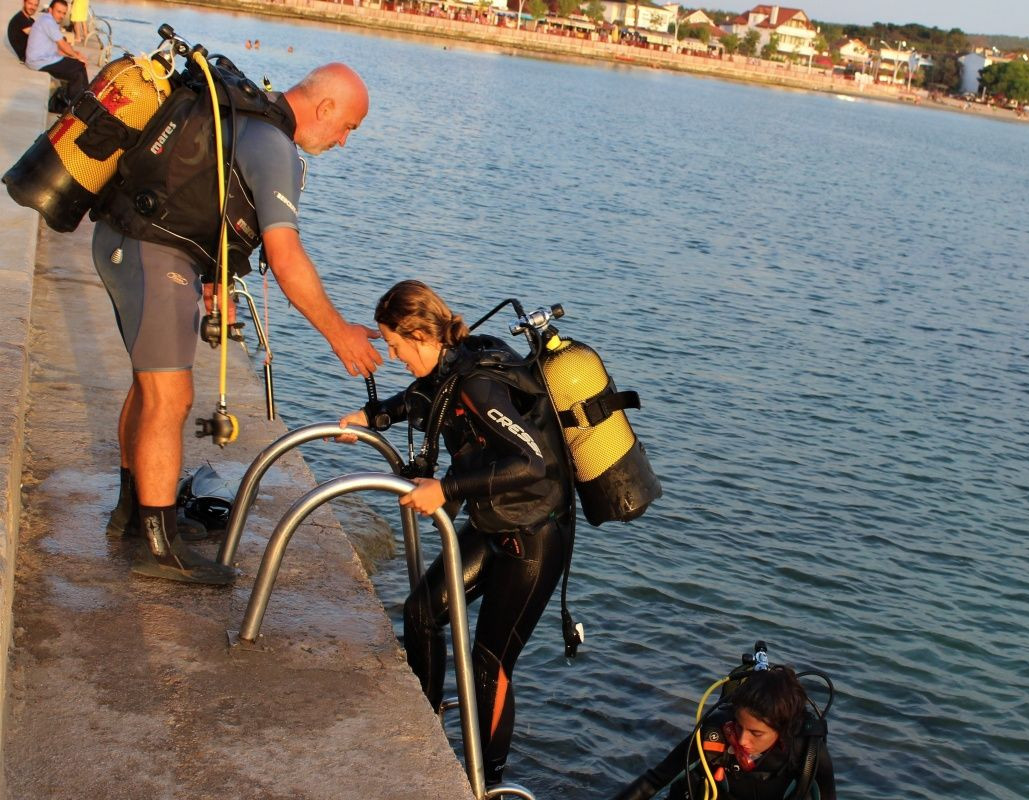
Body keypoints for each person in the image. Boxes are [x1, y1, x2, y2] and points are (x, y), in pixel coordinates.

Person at [92, 62, 382, 584]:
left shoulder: (249, 113)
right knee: (170, 396)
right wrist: (340, 332)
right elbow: (286, 256)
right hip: (151, 253)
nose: (342, 141)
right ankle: (158, 548)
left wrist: (212, 275)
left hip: (129, 238)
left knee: (149, 384)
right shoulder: (276, 146)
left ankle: (134, 515)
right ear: (325, 107)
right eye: (347, 128)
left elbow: (203, 198)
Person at [337, 280, 574, 787]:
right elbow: (426, 397)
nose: (395, 356)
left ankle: (484, 786)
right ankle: (425, 731)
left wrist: (445, 488)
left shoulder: (479, 383)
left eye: (397, 346)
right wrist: (372, 417)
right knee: (421, 613)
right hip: (493, 526)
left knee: (488, 665)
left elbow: (531, 461)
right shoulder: (454, 365)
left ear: (420, 332)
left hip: (533, 540)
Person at [611, 667, 837, 800]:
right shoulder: (713, 735)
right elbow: (653, 781)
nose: (741, 740)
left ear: (784, 731)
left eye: (756, 734)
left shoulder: (809, 754)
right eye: (738, 726)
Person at [23, 0, 87, 105]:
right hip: (39, 62)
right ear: (50, 10)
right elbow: (62, 44)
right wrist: (76, 56)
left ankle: (83, 99)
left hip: (45, 59)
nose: (61, 16)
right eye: (59, 12)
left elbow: (55, 48)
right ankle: (78, 104)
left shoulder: (47, 20)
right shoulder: (48, 22)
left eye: (64, 13)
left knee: (79, 67)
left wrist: (75, 55)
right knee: (78, 67)